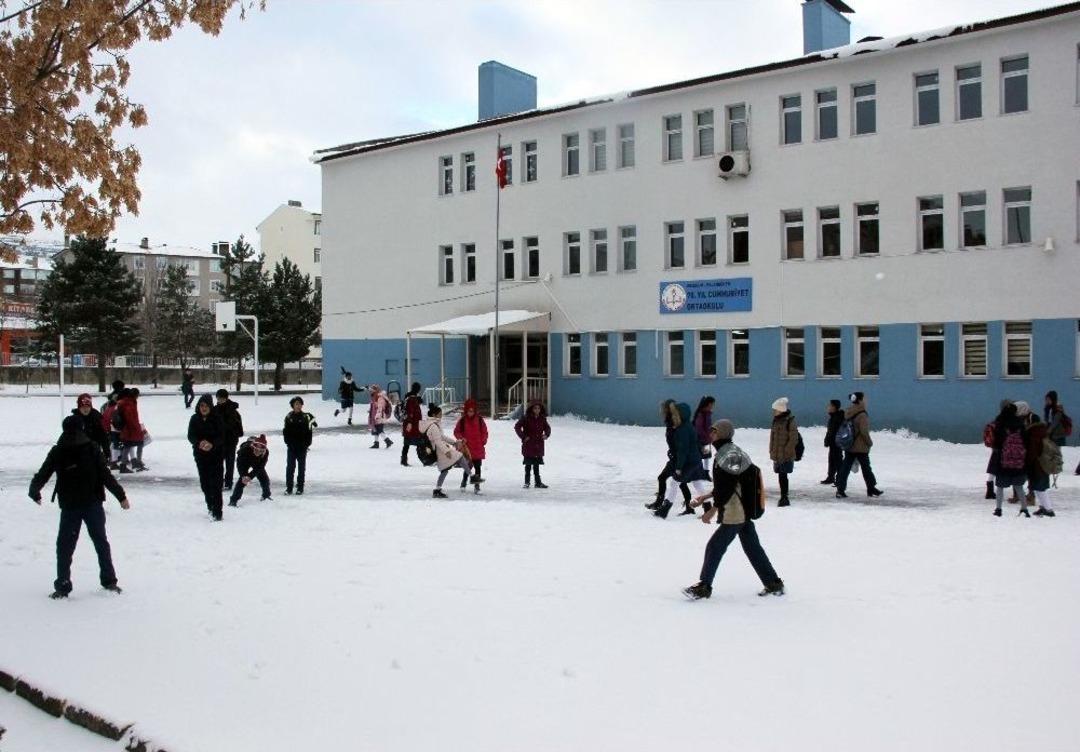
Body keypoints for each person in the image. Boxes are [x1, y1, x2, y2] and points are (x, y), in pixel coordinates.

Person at [29, 414, 131, 599]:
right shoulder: (91, 448)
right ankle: (109, 582)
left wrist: (34, 490)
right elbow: (105, 475)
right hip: (91, 503)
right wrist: (121, 496)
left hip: (70, 505)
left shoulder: (59, 450)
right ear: (81, 428)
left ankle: (63, 586)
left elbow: (43, 473)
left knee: (65, 546)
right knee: (100, 542)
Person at [682, 419, 784, 600]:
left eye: (714, 431)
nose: (711, 433)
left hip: (735, 510)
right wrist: (705, 497)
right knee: (753, 548)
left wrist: (712, 510)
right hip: (741, 507)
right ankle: (773, 583)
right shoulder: (730, 452)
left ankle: (704, 586)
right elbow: (728, 484)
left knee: (715, 546)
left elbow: (727, 488)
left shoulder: (726, 455)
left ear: (721, 433)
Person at [655, 402, 711, 519]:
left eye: (676, 414)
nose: (673, 416)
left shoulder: (682, 430)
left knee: (674, 483)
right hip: (695, 460)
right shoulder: (688, 426)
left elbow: (683, 451)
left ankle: (664, 511)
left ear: (681, 415)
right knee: (697, 484)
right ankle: (708, 509)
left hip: (689, 462)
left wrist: (679, 467)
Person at [646, 399, 692, 513]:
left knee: (668, 479)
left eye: (662, 409)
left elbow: (680, 443)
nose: (661, 412)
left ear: (666, 410)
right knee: (680, 482)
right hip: (675, 457)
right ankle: (688, 507)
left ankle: (660, 504)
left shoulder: (674, 423)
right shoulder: (671, 422)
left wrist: (677, 459)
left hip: (677, 458)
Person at [835, 392, 883, 499]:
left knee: (845, 468)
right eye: (864, 399)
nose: (866, 401)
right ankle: (871, 488)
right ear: (860, 400)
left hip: (850, 444)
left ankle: (840, 489)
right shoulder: (862, 414)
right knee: (866, 468)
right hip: (861, 446)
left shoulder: (849, 411)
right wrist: (869, 442)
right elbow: (864, 432)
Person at [420, 404, 473, 498]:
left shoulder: (432, 424)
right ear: (434, 415)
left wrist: (454, 443)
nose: (441, 415)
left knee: (445, 470)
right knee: (460, 456)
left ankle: (437, 490)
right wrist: (446, 451)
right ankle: (472, 476)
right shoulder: (433, 426)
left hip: (438, 450)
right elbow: (438, 441)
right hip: (440, 451)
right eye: (440, 414)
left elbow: (441, 437)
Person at [188, 393, 226, 520]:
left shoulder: (217, 418)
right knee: (205, 484)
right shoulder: (194, 419)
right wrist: (199, 443)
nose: (203, 408)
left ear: (210, 406)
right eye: (201, 406)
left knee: (216, 484)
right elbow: (191, 435)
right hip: (200, 456)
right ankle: (210, 505)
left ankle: (218, 512)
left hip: (216, 456)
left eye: (206, 406)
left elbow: (222, 436)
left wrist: (212, 444)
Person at [990, 401, 1029, 518]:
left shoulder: (1000, 423)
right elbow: (1026, 441)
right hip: (1018, 461)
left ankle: (998, 509)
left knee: (1000, 486)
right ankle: (1024, 508)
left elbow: (996, 442)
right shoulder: (1020, 423)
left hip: (1004, 461)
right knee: (1019, 486)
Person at [1021, 407, 1056, 518]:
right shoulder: (1042, 432)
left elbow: (1032, 452)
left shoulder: (1033, 434)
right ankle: (1043, 507)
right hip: (1044, 464)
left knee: (1039, 487)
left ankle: (1048, 509)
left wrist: (1027, 462)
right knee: (1040, 487)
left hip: (1037, 465)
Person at [283, 396, 317, 495]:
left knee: (301, 468)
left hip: (302, 447)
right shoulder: (289, 417)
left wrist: (307, 444)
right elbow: (285, 431)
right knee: (290, 467)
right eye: (296, 404)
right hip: (291, 447)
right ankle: (289, 488)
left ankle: (300, 487)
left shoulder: (306, 417)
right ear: (292, 406)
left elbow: (309, 432)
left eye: (300, 404)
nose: (298, 406)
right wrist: (288, 442)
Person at [769, 397, 798, 507]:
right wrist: (772, 450)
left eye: (775, 410)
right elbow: (773, 437)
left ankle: (784, 496)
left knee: (783, 475)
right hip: (777, 453)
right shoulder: (776, 421)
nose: (773, 412)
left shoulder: (789, 421)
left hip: (785, 454)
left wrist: (787, 451)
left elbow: (793, 438)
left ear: (780, 410)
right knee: (781, 475)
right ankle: (784, 495)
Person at [515, 400, 551, 488]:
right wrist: (523, 436)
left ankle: (538, 482)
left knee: (536, 465)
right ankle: (527, 482)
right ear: (531, 409)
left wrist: (546, 434)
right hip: (529, 444)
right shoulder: (526, 418)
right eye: (535, 408)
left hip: (538, 445)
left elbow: (547, 428)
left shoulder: (542, 418)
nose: (537, 410)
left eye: (538, 408)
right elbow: (517, 426)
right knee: (528, 464)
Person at [454, 397, 488, 489]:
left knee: (478, 467)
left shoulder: (480, 420)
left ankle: (477, 485)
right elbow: (456, 432)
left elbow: (485, 431)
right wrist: (461, 439)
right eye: (469, 411)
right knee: (467, 467)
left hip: (478, 447)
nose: (470, 413)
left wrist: (483, 441)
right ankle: (464, 481)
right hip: (467, 449)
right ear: (466, 411)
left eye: (472, 411)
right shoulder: (462, 421)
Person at [214, 388, 244, 490]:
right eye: (218, 398)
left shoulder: (232, 411)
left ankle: (228, 482)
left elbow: (232, 426)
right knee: (218, 463)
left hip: (230, 440)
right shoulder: (214, 410)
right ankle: (218, 481)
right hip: (218, 441)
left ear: (226, 398)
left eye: (222, 398)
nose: (220, 400)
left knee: (229, 463)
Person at [228, 434, 271, 506]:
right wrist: (244, 476)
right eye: (256, 450)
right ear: (253, 447)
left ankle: (266, 495)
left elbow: (260, 467)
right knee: (242, 481)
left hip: (257, 463)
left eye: (261, 451)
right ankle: (233, 500)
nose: (258, 452)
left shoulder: (266, 453)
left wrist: (250, 476)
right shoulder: (244, 450)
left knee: (264, 479)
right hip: (245, 461)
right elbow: (240, 464)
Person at [116, 387, 147, 472]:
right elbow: (130, 418)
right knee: (140, 443)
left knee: (127, 446)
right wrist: (137, 428)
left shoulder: (126, 402)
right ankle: (138, 463)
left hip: (127, 429)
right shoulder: (130, 403)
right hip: (131, 429)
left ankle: (123, 466)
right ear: (135, 395)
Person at [72, 392, 110, 459]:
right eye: (83, 407)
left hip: (94, 452)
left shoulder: (96, 418)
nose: (85, 409)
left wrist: (106, 452)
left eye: (87, 407)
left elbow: (103, 436)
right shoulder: (74, 419)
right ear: (79, 407)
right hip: (78, 453)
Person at [399, 382, 425, 466]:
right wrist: (409, 423)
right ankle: (424, 459)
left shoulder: (410, 397)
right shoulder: (412, 399)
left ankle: (403, 460)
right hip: (412, 425)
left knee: (407, 443)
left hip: (411, 424)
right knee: (419, 443)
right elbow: (410, 412)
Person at [821, 399, 844, 485]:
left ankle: (840, 478)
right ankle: (831, 477)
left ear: (834, 407)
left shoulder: (837, 418)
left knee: (838, 460)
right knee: (832, 459)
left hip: (836, 442)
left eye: (830, 406)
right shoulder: (834, 417)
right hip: (833, 442)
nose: (828, 407)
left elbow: (833, 431)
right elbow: (830, 431)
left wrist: (828, 439)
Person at [691, 396, 716, 469]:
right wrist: (706, 436)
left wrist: (711, 432)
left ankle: (705, 472)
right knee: (699, 457)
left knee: (706, 456)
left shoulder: (707, 413)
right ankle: (699, 473)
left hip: (706, 440)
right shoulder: (701, 414)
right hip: (701, 440)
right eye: (713, 404)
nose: (713, 406)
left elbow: (707, 425)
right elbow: (699, 428)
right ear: (709, 404)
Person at [368, 384, 393, 449]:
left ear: (375, 391)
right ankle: (376, 443)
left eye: (372, 390)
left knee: (379, 430)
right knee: (375, 429)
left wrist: (378, 415)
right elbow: (374, 406)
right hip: (375, 415)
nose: (371, 392)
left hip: (379, 416)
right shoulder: (374, 397)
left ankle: (388, 441)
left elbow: (381, 407)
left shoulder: (380, 397)